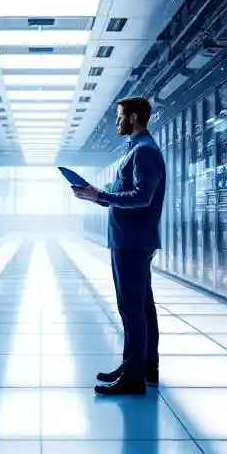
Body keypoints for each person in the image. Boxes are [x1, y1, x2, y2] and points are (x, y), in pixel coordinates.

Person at [71, 97, 166, 396]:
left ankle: (133, 377)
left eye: (119, 117)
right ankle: (142, 367)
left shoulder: (144, 151)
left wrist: (100, 195)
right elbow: (124, 193)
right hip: (132, 239)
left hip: (131, 241)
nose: (116, 122)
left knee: (131, 308)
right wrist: (95, 194)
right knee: (142, 307)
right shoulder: (135, 149)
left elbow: (142, 197)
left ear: (133, 117)